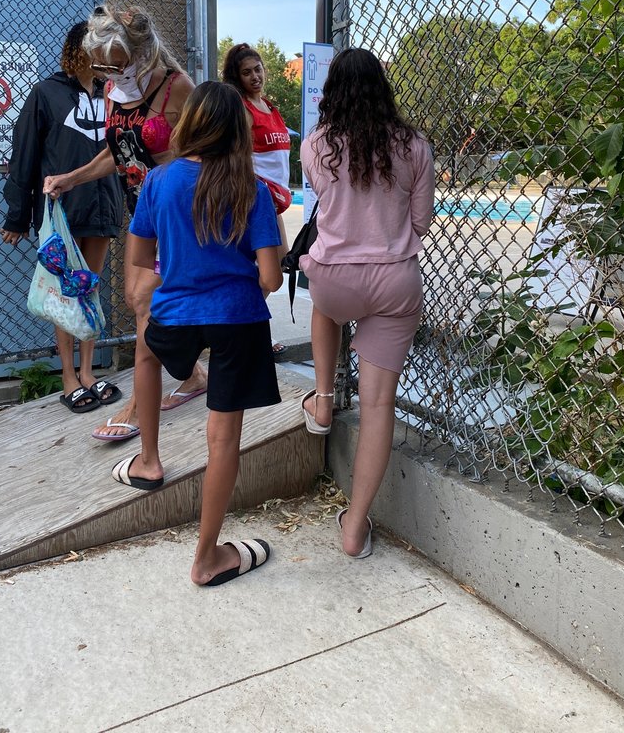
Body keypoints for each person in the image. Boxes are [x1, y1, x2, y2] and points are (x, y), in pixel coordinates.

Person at [112, 81, 282, 587]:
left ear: (189, 125)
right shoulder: (251, 190)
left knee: (147, 355)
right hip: (237, 318)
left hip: (175, 314)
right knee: (223, 438)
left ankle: (148, 460)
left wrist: (185, 269)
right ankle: (207, 557)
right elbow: (271, 278)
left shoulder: (159, 182)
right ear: (238, 133)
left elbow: (143, 258)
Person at [43, 4, 207, 440]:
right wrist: (70, 178)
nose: (107, 74)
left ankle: (138, 406)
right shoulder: (114, 92)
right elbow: (119, 155)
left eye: (116, 65)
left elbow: (208, 154)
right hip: (142, 211)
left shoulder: (178, 89)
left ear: (142, 52)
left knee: (142, 301)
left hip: (178, 215)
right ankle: (192, 376)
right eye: (102, 67)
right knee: (144, 301)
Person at [299, 48, 435, 559]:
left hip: (335, 280)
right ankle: (355, 529)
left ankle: (323, 400)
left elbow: (326, 207)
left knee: (322, 307)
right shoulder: (415, 146)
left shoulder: (315, 146)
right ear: (383, 87)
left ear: (331, 93)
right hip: (394, 281)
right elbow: (419, 223)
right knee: (380, 405)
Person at [0, 21, 124, 413]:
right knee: (65, 291)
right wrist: (18, 216)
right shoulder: (46, 94)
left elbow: (124, 152)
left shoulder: (114, 97)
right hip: (62, 213)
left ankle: (89, 372)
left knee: (89, 287)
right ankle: (68, 377)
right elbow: (24, 156)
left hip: (103, 205)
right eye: (96, 48)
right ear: (80, 50)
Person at [221, 42, 292, 358]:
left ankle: (245, 332)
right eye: (246, 72)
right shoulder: (242, 110)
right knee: (268, 270)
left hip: (272, 201)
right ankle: (240, 331)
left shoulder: (270, 107)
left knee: (271, 269)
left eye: (258, 69)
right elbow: (233, 157)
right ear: (237, 77)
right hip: (254, 201)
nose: (255, 76)